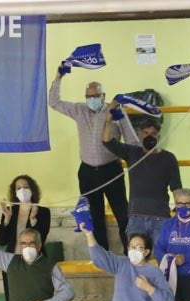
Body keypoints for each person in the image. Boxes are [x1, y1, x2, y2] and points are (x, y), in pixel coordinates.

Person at [49, 71, 136, 251]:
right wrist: (59, 77)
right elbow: (54, 102)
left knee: (123, 215)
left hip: (111, 170)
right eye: (89, 96)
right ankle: (102, 256)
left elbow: (132, 141)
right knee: (94, 216)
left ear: (103, 96)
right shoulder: (79, 110)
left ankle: (133, 253)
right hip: (88, 172)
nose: (92, 99)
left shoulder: (116, 112)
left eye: (96, 96)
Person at [102, 102, 183, 246]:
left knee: (162, 258)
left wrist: (181, 210)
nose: (149, 136)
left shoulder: (169, 158)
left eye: (153, 133)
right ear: (139, 135)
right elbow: (107, 141)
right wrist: (108, 119)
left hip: (161, 218)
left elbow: (176, 188)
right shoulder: (132, 152)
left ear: (158, 136)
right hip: (136, 218)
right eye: (145, 133)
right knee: (136, 259)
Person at [0, 175, 51, 252]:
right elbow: (1, 242)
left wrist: (33, 221)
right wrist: (7, 219)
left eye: (26, 187)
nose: (22, 190)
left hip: (34, 259)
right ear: (15, 193)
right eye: (18, 188)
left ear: (32, 190)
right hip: (13, 259)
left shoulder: (43, 212)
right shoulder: (9, 211)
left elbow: (41, 239)